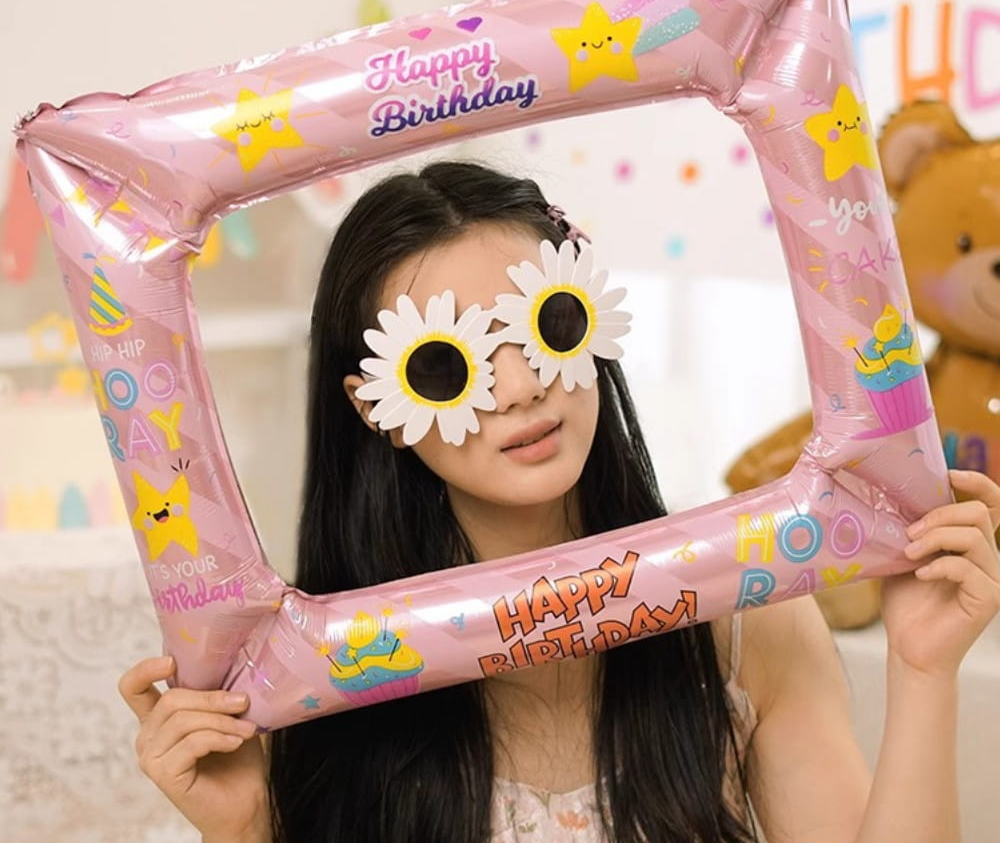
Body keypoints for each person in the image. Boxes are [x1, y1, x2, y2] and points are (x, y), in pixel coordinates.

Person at [119, 161, 1000, 843]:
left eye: (547, 325)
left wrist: (924, 672)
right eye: (446, 365)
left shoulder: (746, 617)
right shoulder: (312, 673)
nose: (519, 386)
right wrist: (243, 829)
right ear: (375, 410)